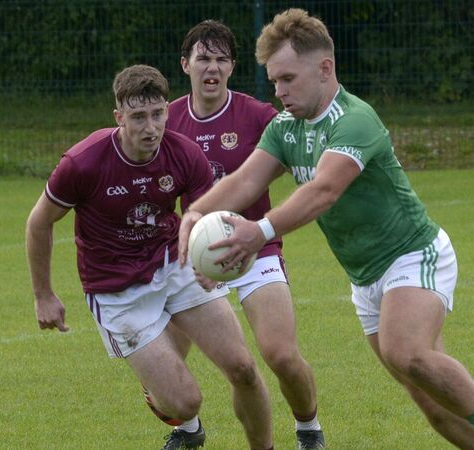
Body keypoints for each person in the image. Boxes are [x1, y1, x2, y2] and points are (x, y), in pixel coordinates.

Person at [177, 9, 474, 450]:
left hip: (412, 255)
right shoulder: (285, 128)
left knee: (405, 351)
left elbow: (323, 190)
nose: (279, 91)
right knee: (432, 404)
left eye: (288, 79)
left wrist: (260, 231)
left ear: (324, 69)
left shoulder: (354, 119)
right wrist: (195, 213)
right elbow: (245, 181)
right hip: (364, 277)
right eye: (274, 81)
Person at [25, 63, 274, 450]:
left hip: (173, 264)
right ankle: (178, 414)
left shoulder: (183, 153)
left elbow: (203, 217)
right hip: (116, 289)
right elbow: (39, 222)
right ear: (119, 117)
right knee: (185, 402)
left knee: (243, 369)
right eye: (138, 117)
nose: (150, 127)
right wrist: (43, 294)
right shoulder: (83, 162)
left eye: (158, 114)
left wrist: (211, 262)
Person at [145, 20, 324, 450]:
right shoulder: (167, 121)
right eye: (203, 58)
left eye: (221, 59)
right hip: (195, 257)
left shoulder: (259, 116)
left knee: (281, 355)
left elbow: (305, 151)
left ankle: (308, 429)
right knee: (161, 366)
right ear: (185, 64)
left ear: (232, 67)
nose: (212, 67)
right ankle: (188, 429)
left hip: (256, 249)